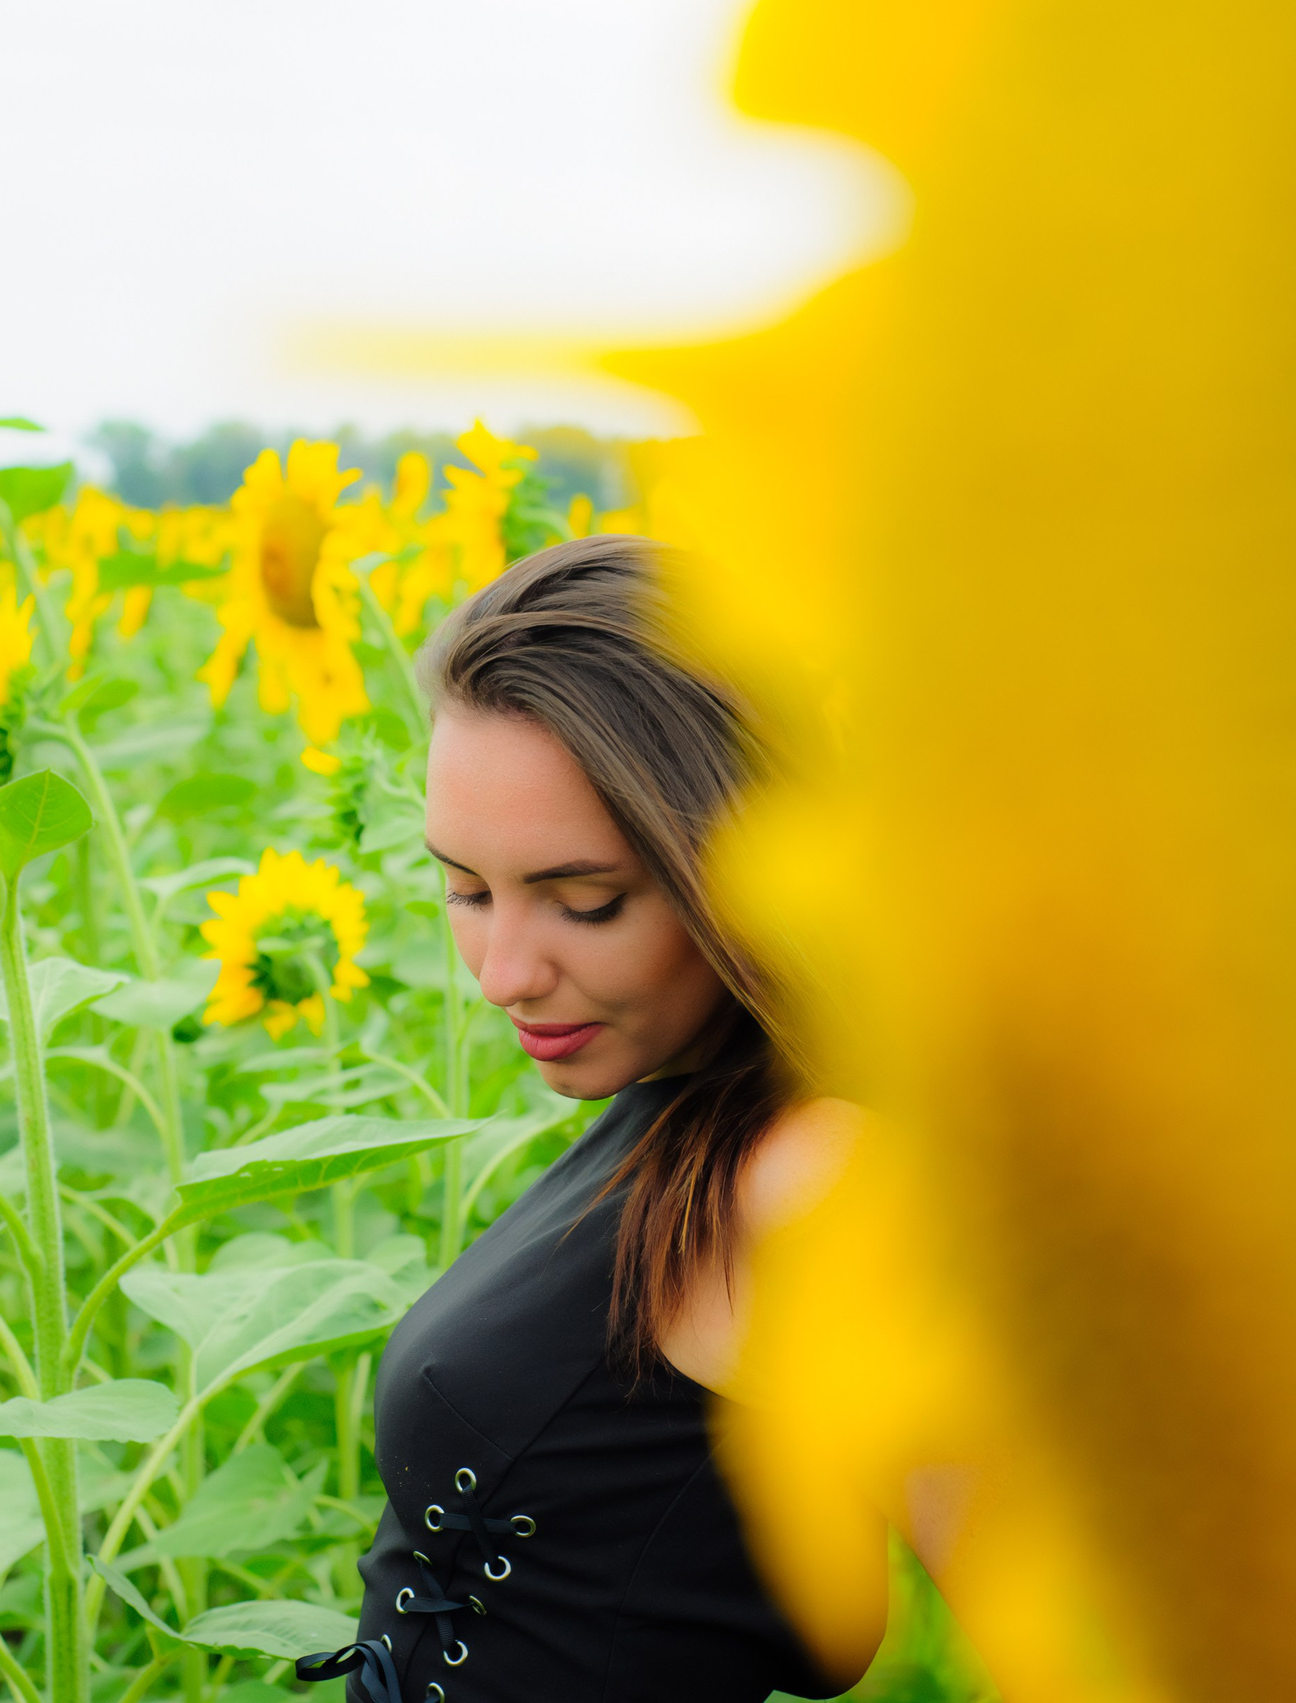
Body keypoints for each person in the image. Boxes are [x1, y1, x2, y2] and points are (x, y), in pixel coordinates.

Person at [297, 536, 877, 1702]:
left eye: (586, 901)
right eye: (464, 888)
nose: (504, 969)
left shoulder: (822, 1171)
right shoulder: (684, 1107)